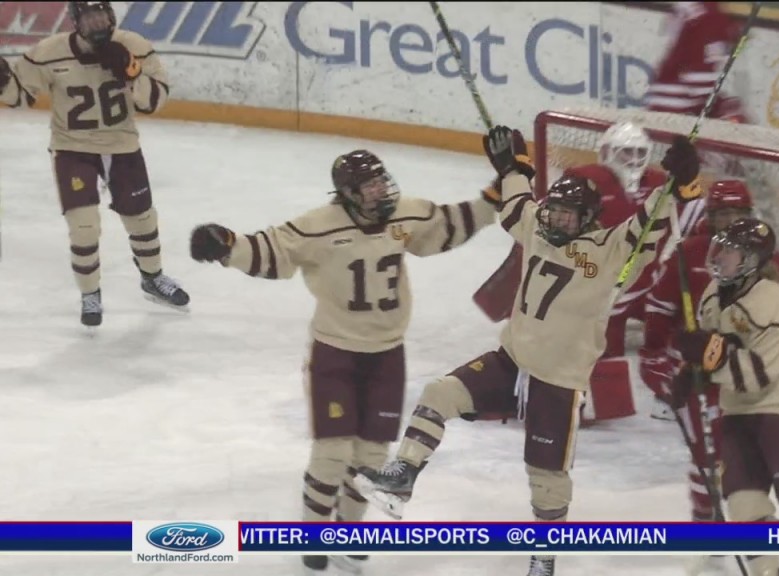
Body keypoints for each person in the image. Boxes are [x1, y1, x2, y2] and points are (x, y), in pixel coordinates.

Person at [354, 127, 702, 576]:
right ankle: (402, 476)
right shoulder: (538, 226)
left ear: (589, 218)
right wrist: (514, 166)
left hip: (558, 382)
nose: (554, 221)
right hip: (511, 361)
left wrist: (678, 185)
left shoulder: (611, 249)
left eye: (566, 216)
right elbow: (517, 202)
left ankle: (543, 557)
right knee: (440, 393)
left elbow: (650, 222)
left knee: (547, 478)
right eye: (553, 212)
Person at [188, 149, 497, 575]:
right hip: (335, 353)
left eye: (381, 181)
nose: (381, 191)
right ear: (348, 194)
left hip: (388, 354)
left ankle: (347, 533)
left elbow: (448, 224)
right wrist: (227, 244)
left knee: (371, 456)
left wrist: (496, 195)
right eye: (369, 186)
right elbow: (271, 250)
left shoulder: (404, 216)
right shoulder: (319, 226)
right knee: (332, 451)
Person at [471, 121, 706, 422]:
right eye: (625, 152)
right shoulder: (586, 180)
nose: (632, 160)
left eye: (638, 152)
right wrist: (514, 176)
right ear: (607, 152)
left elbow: (688, 212)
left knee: (675, 335)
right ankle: (550, 393)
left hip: (643, 284)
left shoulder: (659, 181)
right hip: (595, 285)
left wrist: (685, 184)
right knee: (590, 344)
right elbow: (547, 227)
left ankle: (677, 390)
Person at [0, 1, 189, 327]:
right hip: (73, 149)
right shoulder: (49, 51)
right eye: (90, 17)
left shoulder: (135, 46)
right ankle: (90, 294)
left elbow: (156, 100)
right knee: (83, 226)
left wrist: (132, 72)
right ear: (75, 22)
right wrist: (3, 81)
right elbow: (20, 96)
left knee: (142, 219)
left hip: (122, 146)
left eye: (102, 15)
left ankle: (152, 277)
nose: (98, 23)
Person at [671, 217, 779, 576]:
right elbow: (714, 351)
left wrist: (708, 353)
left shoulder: (774, 299)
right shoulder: (712, 296)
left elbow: (760, 373)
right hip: (737, 412)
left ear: (752, 260)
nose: (719, 257)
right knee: (744, 506)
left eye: (729, 252)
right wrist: (690, 373)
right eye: (719, 249)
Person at [645, 1, 748, 123]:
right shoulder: (711, 16)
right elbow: (698, 78)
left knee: (732, 110)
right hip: (678, 101)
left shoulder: (693, 8)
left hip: (662, 94)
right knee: (734, 116)